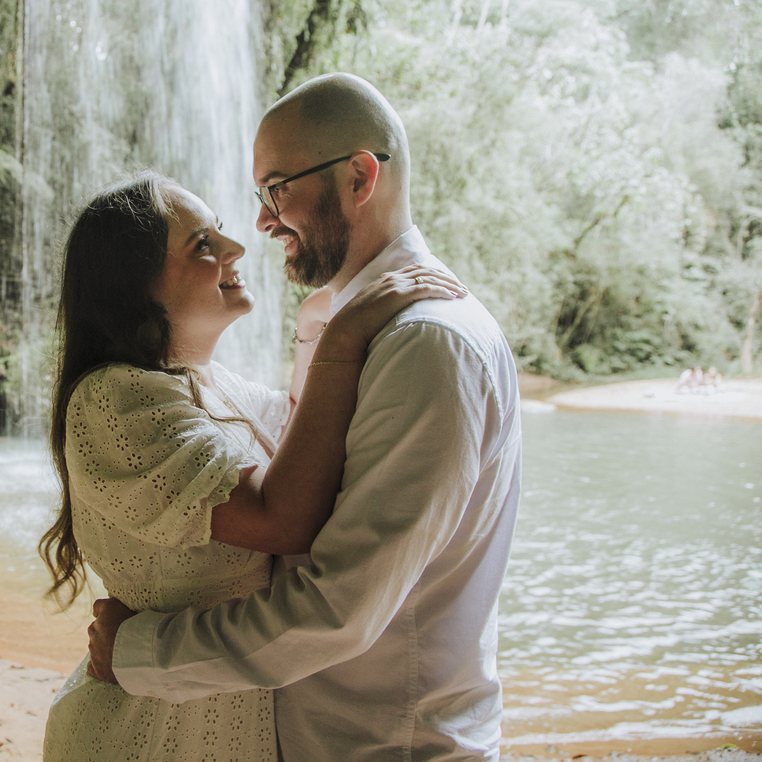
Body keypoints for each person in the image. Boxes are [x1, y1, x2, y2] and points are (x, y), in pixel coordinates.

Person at [86, 73, 523, 762]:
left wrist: (138, 653)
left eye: (277, 189)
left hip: (386, 746)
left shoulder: (424, 345)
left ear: (359, 177)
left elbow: (337, 610)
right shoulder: (351, 329)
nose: (260, 223)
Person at [38, 170, 465, 760]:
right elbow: (280, 515)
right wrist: (342, 338)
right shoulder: (113, 400)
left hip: (217, 725)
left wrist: (314, 327)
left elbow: (301, 438)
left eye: (220, 231)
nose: (236, 247)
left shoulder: (209, 384)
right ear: (134, 287)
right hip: (145, 735)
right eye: (203, 244)